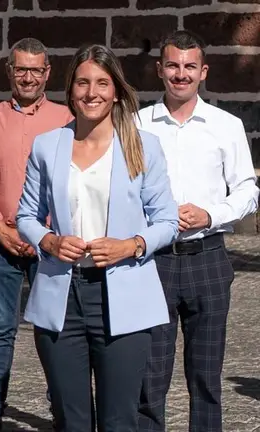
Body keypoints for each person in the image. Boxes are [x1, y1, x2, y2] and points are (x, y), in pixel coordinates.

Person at [16, 44, 180, 431]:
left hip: (124, 295)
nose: (92, 93)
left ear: (117, 91)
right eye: (83, 83)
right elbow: (26, 215)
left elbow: (167, 221)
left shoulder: (143, 145)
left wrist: (131, 245)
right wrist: (49, 241)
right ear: (70, 90)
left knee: (119, 419)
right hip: (63, 296)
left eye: (102, 83)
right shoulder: (47, 145)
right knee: (70, 420)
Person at [136, 30, 259, 432]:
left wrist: (210, 214)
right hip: (154, 262)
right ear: (160, 70)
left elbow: (247, 189)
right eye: (173, 65)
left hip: (208, 259)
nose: (181, 74)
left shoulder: (226, 126)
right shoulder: (137, 124)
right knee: (149, 379)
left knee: (205, 379)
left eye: (190, 66)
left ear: (203, 72)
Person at [0, 37, 73, 431]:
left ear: (48, 73)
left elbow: (71, 179)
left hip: (52, 242)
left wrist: (43, 233)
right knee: (0, 329)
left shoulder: (66, 119)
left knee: (54, 328)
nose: (28, 77)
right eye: (20, 69)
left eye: (36, 70)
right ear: (9, 71)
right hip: (0, 241)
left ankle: (63, 409)